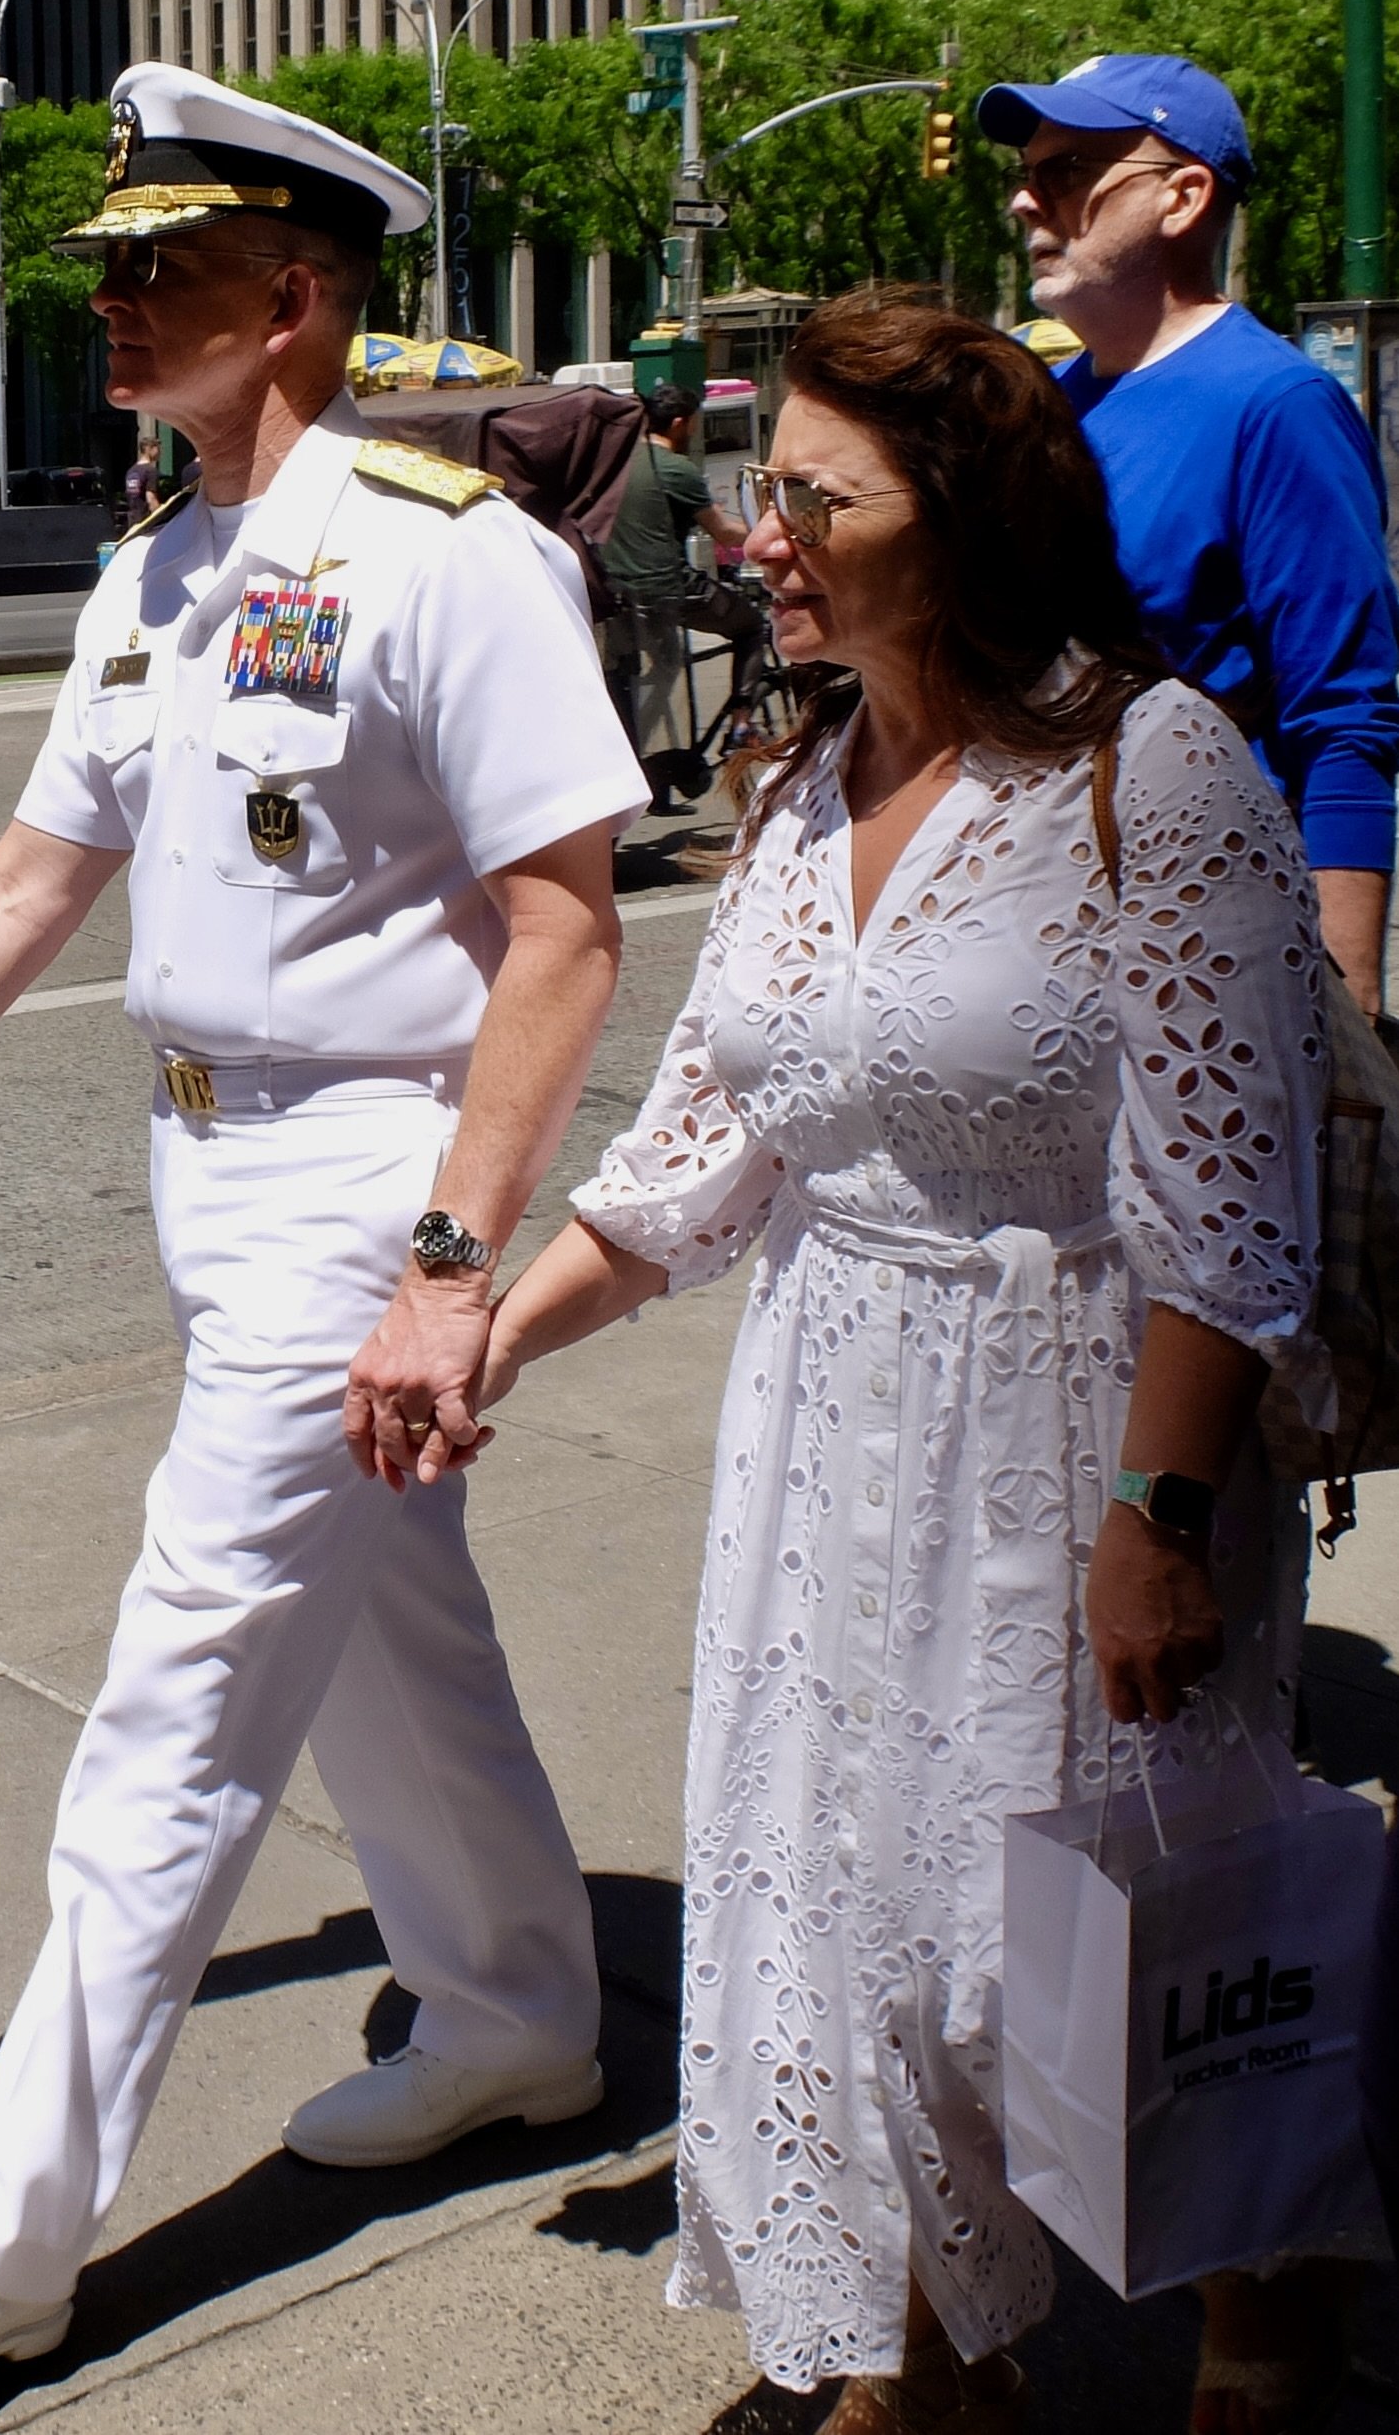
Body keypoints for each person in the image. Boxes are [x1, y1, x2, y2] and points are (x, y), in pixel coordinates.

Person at [0, 63, 649, 2396]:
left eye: (164, 269)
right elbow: (35, 876)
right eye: (108, 271)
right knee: (376, 1624)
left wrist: (452, 1253)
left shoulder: (450, 549)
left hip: (361, 1171)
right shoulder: (162, 565)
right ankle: (524, 2003)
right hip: (199, 1162)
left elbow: (564, 926)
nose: (114, 305)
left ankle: (2, 2234)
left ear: (297, 291)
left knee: (186, 1683)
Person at [459, 295, 1337, 2433]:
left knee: (1105, 1915)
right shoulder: (795, 788)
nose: (759, 536)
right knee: (854, 1903)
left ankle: (1252, 2321)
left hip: (1075, 1421)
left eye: (807, 498)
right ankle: (927, 2348)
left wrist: (1151, 1523)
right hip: (827, 1419)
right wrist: (467, 1337)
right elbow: (690, 1168)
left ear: (958, 519)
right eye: (763, 490)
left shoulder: (1157, 773)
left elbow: (1230, 1217)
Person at [977, 52, 1399, 1016]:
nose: (1026, 202)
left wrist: (1349, 1003)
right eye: (1027, 172)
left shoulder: (1278, 404)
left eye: (1067, 171)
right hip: (1045, 933)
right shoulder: (1046, 405)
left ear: (1183, 196)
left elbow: (1343, 717)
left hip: (1215, 937)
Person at [599, 380, 750, 791]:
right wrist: (765, 529)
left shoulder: (617, 463)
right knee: (752, 626)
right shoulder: (677, 469)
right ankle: (740, 725)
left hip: (617, 593)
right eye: (694, 426)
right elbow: (725, 534)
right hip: (668, 589)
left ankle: (649, 773)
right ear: (680, 423)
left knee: (647, 674)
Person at [121, 430, 162, 525]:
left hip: (132, 519)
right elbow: (150, 498)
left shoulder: (131, 471)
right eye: (158, 448)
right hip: (146, 521)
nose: (160, 452)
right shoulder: (150, 471)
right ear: (150, 449)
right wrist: (159, 517)